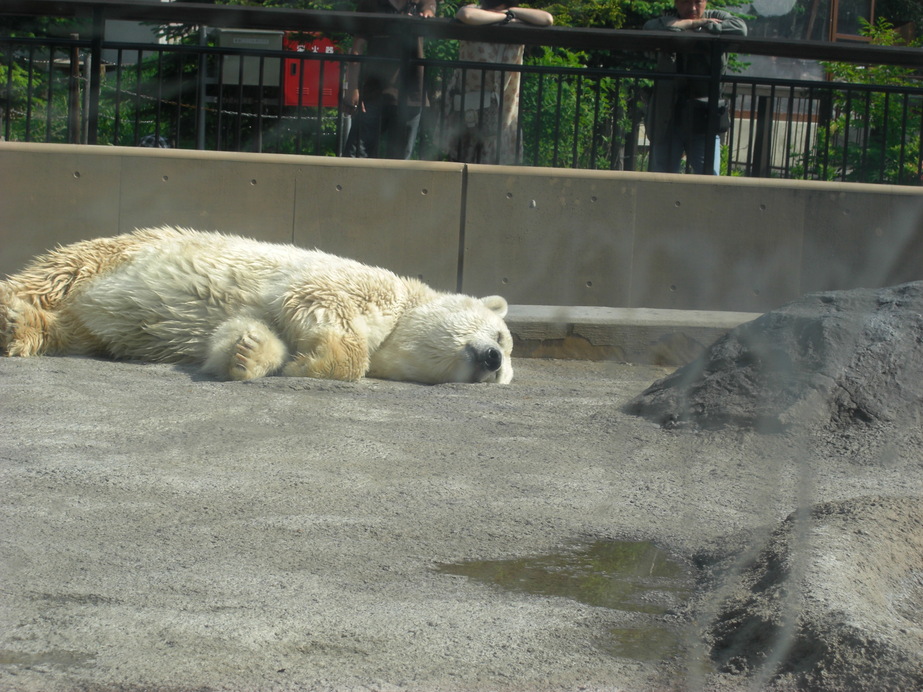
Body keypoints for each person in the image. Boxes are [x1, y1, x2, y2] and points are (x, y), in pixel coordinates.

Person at [643, 0, 746, 175]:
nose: (692, 8)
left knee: (709, 179)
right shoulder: (665, 21)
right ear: (676, 3)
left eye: (698, 2)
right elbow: (649, 29)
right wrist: (694, 24)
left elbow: (740, 29)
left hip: (704, 117)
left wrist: (694, 28)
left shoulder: (719, 17)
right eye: (685, 2)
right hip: (667, 118)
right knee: (660, 180)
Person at [445, 1, 553, 165]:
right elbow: (466, 15)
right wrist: (507, 17)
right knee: (463, 159)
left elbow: (547, 19)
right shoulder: (476, 10)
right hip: (470, 105)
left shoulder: (517, 15)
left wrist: (511, 13)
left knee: (495, 161)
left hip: (503, 106)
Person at [344, 0, 438, 160]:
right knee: (355, 157)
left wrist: (428, 14)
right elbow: (356, 50)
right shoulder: (371, 4)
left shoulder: (418, 3)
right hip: (375, 91)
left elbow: (429, 8)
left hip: (410, 93)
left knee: (397, 163)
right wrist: (353, 89)